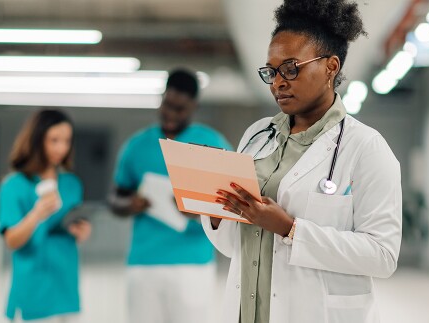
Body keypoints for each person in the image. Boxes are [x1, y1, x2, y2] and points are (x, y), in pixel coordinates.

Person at [205, 1, 403, 322]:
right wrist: (214, 211)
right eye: (271, 71)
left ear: (330, 67)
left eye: (291, 68)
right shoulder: (257, 136)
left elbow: (382, 256)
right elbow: (234, 246)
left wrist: (290, 229)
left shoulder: (366, 147)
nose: (277, 82)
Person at [109, 69, 233, 323]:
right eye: (167, 105)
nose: (171, 115)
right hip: (144, 263)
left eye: (180, 109)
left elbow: (232, 203)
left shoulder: (211, 143)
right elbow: (115, 199)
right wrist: (130, 204)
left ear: (194, 107)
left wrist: (198, 212)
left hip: (193, 264)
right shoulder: (137, 146)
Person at [0, 109, 92, 323]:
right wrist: (37, 214)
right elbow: (11, 240)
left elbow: (72, 225)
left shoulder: (71, 184)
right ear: (36, 140)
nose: (61, 148)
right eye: (54, 140)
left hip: (66, 287)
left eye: (67, 141)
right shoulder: (14, 186)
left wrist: (81, 231)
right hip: (33, 290)